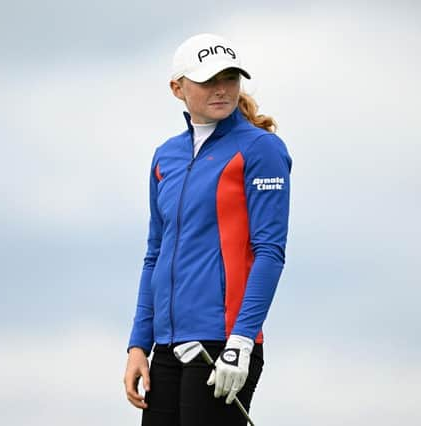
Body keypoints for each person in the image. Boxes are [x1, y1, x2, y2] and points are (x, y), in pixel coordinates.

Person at [123, 33, 292, 426]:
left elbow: (270, 252)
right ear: (177, 88)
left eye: (230, 78)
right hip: (166, 348)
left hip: (223, 345)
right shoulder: (166, 155)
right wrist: (138, 344)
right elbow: (155, 254)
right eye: (207, 80)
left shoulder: (261, 149)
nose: (221, 89)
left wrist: (242, 340)